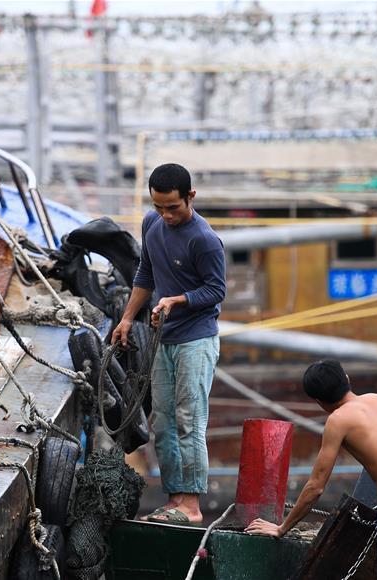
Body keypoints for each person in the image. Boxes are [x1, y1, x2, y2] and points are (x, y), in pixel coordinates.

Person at [245, 360, 377, 580]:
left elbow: (315, 487)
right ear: (347, 379)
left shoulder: (338, 421)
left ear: (319, 401)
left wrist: (282, 528)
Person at [111, 163, 226, 525]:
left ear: (190, 197)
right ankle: (174, 498)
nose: (166, 215)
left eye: (173, 207)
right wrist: (128, 317)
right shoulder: (152, 224)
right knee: (163, 420)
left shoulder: (203, 239)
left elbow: (216, 291)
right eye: (159, 207)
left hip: (197, 340)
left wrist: (177, 300)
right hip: (166, 340)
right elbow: (146, 272)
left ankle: (191, 506)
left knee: (190, 420)